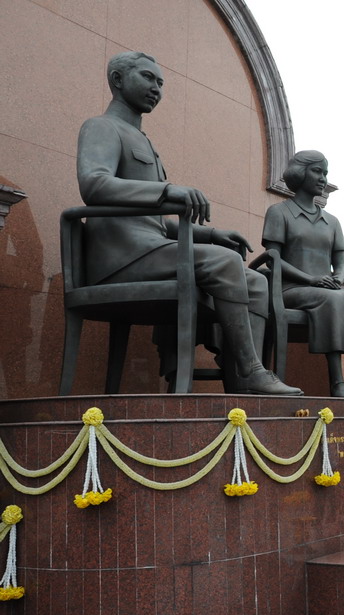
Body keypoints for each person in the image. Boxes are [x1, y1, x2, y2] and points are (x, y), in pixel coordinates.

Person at [76, 51, 301, 396]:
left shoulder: (146, 144)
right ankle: (252, 369)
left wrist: (212, 234)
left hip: (151, 251)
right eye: (148, 78)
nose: (157, 89)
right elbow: (93, 184)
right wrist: (167, 189)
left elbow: (158, 223)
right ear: (118, 80)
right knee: (225, 263)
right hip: (121, 259)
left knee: (254, 280)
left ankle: (243, 383)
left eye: (161, 83)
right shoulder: (101, 127)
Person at [262, 151, 344, 398]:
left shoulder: (332, 221)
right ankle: (337, 381)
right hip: (291, 290)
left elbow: (341, 265)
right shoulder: (279, 212)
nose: (323, 178)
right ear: (300, 173)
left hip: (325, 288)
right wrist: (311, 279)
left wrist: (339, 277)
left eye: (325, 173)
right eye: (317, 171)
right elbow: (273, 259)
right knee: (332, 300)